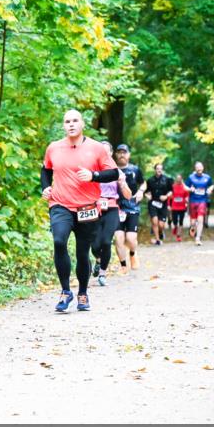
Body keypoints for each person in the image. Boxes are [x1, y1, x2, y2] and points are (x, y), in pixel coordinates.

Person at [41, 110, 119, 312]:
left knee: (83, 252)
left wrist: (93, 175)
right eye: (67, 121)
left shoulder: (96, 148)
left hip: (87, 207)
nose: (71, 124)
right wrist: (45, 187)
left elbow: (113, 173)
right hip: (60, 204)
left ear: (82, 124)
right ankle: (66, 291)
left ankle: (82, 293)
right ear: (63, 126)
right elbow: (46, 170)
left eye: (75, 120)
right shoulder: (54, 148)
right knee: (59, 241)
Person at [91, 141, 131, 286]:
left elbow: (127, 195)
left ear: (111, 153)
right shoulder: (92, 170)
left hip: (112, 208)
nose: (104, 153)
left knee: (106, 241)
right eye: (101, 151)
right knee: (94, 244)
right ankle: (98, 259)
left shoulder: (117, 171)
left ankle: (102, 273)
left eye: (106, 151)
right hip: (94, 208)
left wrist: (122, 184)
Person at [113, 144, 145, 273]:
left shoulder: (135, 170)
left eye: (124, 152)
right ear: (115, 154)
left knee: (131, 239)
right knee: (118, 238)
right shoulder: (112, 170)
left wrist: (141, 191)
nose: (122, 155)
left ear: (129, 155)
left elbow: (143, 182)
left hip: (132, 207)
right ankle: (123, 265)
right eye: (119, 152)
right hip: (116, 208)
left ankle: (132, 253)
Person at [185, 162, 214, 245]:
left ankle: (198, 238)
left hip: (202, 201)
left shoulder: (207, 177)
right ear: (195, 168)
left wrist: (209, 189)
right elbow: (185, 186)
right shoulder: (191, 177)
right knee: (193, 222)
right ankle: (192, 227)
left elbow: (212, 185)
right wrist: (190, 189)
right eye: (197, 167)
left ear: (203, 168)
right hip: (193, 201)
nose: (199, 169)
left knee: (200, 219)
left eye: (200, 167)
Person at [144, 163, 173, 245]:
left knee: (161, 225)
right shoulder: (150, 180)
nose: (159, 170)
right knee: (155, 222)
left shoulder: (167, 180)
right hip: (153, 203)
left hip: (163, 204)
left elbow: (171, 191)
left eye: (160, 169)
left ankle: (160, 232)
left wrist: (166, 196)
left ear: (162, 170)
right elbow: (146, 192)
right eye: (157, 168)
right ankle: (157, 239)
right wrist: (148, 196)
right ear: (155, 170)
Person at [169, 174, 189, 242]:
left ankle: (178, 235)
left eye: (180, 178)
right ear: (176, 179)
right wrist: (169, 205)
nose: (178, 179)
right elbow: (169, 197)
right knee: (175, 221)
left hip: (182, 207)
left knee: (181, 221)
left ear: (181, 179)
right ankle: (175, 227)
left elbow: (187, 196)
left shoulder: (184, 187)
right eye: (177, 178)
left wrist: (187, 201)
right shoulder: (173, 187)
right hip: (174, 207)